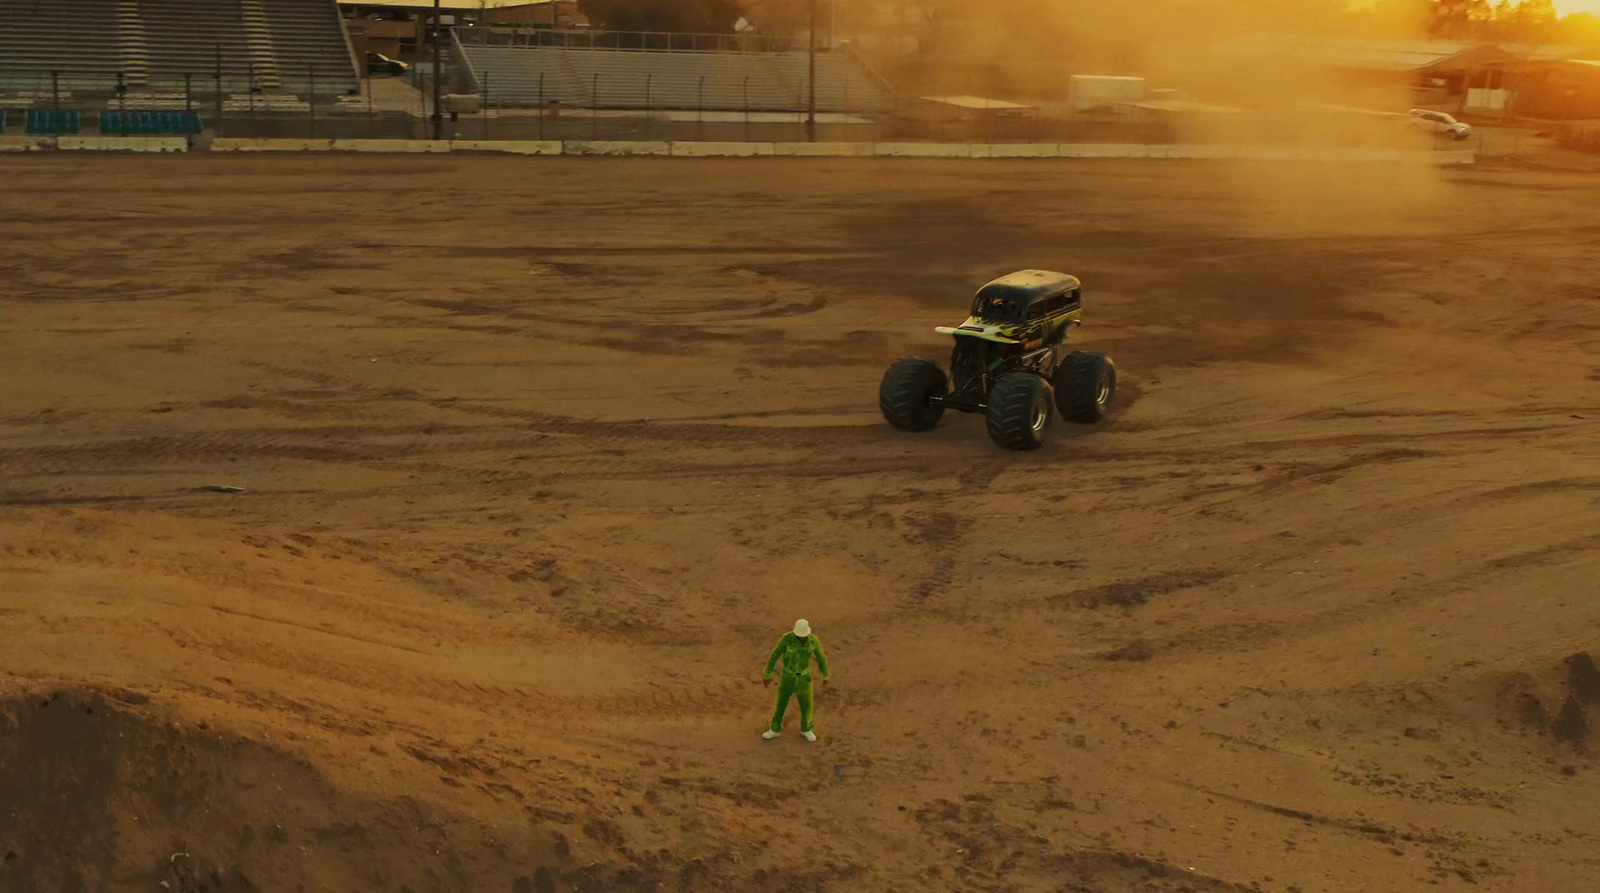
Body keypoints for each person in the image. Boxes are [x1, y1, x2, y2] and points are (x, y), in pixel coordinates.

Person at [761, 618, 830, 742]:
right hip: (788, 677)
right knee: (781, 704)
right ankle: (775, 729)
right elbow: (774, 655)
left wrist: (825, 674)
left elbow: (821, 658)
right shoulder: (786, 639)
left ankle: (806, 729)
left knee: (807, 706)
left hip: (804, 679)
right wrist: (767, 673)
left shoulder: (813, 640)